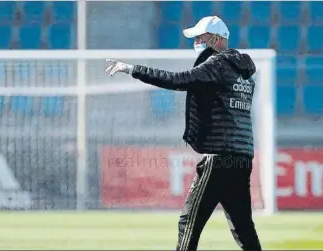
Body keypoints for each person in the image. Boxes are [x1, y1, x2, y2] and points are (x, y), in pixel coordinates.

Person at [105, 16, 262, 251]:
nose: (196, 42)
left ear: (216, 39)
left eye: (200, 37)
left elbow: (178, 80)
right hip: (242, 159)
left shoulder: (218, 65)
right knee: (243, 228)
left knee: (188, 222)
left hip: (219, 159)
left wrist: (132, 69)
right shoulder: (245, 73)